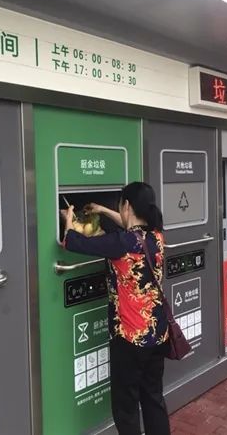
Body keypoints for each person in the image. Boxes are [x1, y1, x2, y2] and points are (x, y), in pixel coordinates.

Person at [61, 182, 171, 435]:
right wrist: (102, 209)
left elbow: (73, 242)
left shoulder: (120, 243)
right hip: (157, 332)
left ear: (127, 205)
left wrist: (68, 219)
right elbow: (131, 227)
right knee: (153, 397)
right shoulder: (155, 236)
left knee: (126, 407)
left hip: (130, 336)